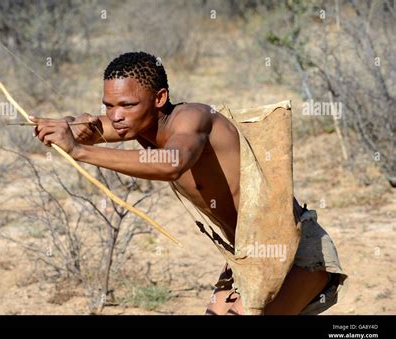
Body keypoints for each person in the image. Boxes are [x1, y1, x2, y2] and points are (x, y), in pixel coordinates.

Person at [30, 51, 346, 315]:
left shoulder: (194, 119)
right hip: (246, 255)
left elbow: (171, 162)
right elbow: (91, 126)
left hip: (294, 250)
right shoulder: (136, 123)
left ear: (159, 98)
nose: (116, 116)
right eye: (109, 105)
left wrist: (79, 150)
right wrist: (69, 125)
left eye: (127, 105)